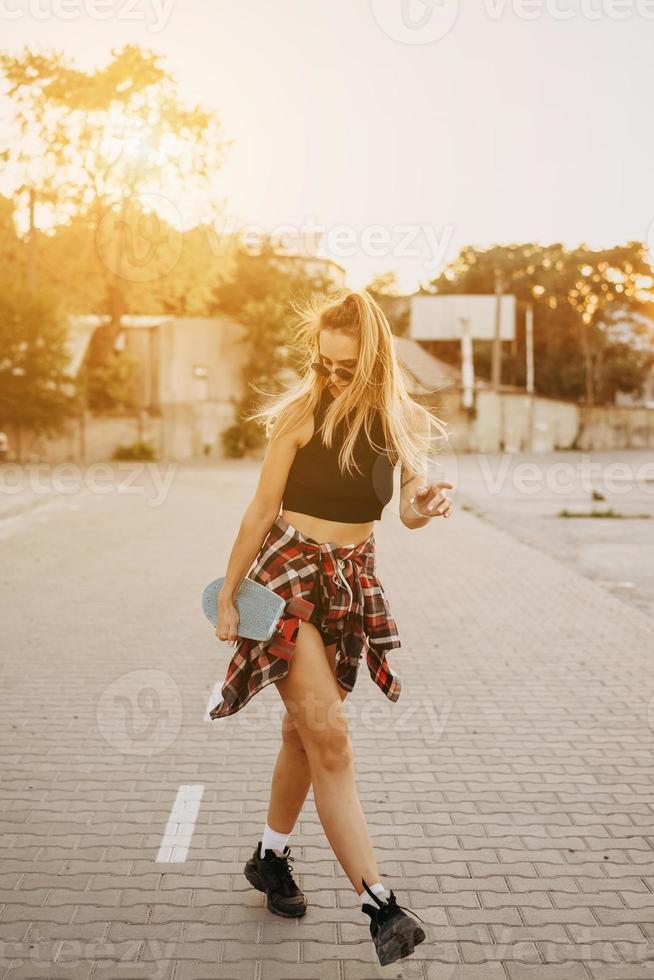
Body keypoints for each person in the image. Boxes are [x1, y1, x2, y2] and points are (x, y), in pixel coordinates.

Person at [210, 288, 453, 966]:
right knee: (333, 743)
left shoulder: (404, 421)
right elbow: (260, 510)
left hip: (350, 582)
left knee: (302, 734)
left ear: (375, 362)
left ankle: (270, 856)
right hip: (285, 576)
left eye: (347, 368)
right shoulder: (301, 412)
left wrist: (425, 504)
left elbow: (406, 507)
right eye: (324, 365)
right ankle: (382, 907)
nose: (332, 378)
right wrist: (229, 595)